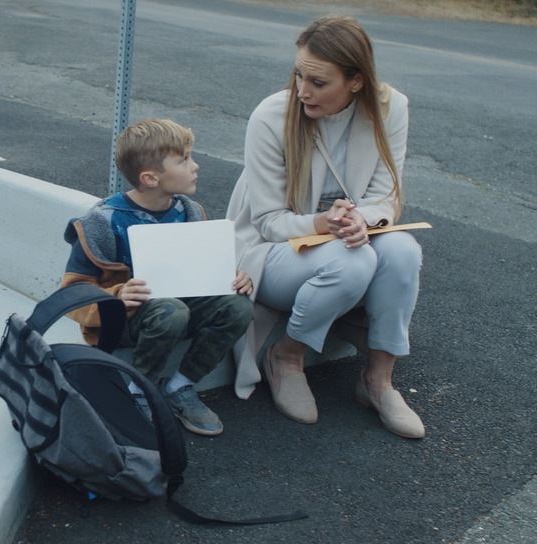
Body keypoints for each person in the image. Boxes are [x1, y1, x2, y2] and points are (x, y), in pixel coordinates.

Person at [226, 15, 425, 438]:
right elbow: (267, 222)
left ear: (356, 81)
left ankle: (378, 381)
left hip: (345, 239)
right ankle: (286, 356)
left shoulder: (391, 108)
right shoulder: (272, 116)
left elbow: (386, 197)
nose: (302, 90)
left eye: (318, 82)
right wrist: (322, 222)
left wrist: (361, 219)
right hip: (269, 251)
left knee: (404, 250)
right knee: (351, 262)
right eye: (299, 74)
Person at [60, 118, 254, 436]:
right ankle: (137, 392)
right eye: (184, 160)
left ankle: (179, 386)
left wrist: (231, 277)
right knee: (170, 311)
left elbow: (201, 271)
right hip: (122, 324)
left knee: (239, 306)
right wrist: (117, 296)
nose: (196, 166)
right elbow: (72, 294)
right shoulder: (101, 222)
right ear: (150, 178)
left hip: (177, 314)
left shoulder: (190, 212)